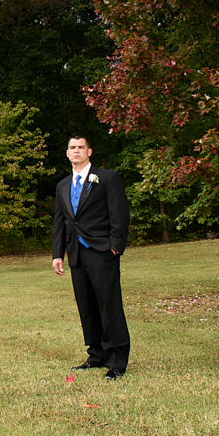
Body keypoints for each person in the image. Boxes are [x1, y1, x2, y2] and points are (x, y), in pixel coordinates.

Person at [51, 134, 131, 380]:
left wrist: (115, 246)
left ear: (89, 151)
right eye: (72, 147)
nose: (76, 151)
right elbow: (61, 222)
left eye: (81, 147)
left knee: (109, 306)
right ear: (67, 153)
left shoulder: (107, 178)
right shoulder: (63, 185)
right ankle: (96, 355)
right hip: (76, 253)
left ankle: (116, 360)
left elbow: (120, 214)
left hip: (101, 251)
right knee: (86, 307)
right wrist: (57, 255)